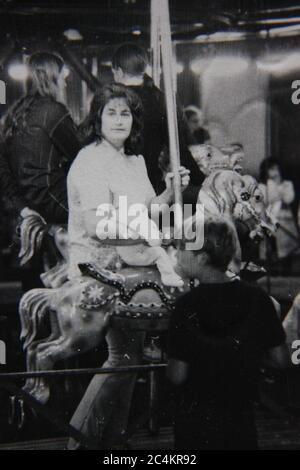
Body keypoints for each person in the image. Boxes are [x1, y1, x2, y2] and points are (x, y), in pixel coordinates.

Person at [67, 83, 190, 449]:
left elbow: (148, 209)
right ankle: (80, 440)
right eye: (112, 112)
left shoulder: (134, 161)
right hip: (100, 264)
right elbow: (94, 226)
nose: (119, 120)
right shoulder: (89, 161)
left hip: (132, 260)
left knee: (129, 360)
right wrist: (150, 240)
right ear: (98, 118)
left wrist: (170, 191)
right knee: (122, 358)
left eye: (126, 113)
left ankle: (113, 440)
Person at [167, 216, 287, 450]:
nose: (177, 254)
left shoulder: (186, 306)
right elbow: (281, 359)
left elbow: (177, 375)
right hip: (241, 419)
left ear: (201, 258)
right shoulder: (258, 299)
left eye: (182, 248)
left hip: (195, 424)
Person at [111, 43, 205, 204]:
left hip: (116, 188)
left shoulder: (111, 102)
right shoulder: (162, 100)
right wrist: (203, 183)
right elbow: (179, 150)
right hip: (152, 186)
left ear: (118, 71)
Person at [1, 52, 81, 224]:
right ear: (51, 78)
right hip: (53, 200)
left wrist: (20, 206)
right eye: (61, 77)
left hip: (25, 203)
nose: (64, 82)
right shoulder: (54, 111)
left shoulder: (14, 113)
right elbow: (81, 155)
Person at [258, 157, 299, 268]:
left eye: (277, 169)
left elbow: (288, 199)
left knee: (288, 243)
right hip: (269, 217)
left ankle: (286, 267)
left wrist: (279, 187)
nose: (275, 172)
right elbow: (267, 199)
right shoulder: (263, 186)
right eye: (272, 169)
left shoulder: (287, 184)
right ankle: (273, 266)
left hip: (285, 217)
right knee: (271, 242)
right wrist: (275, 188)